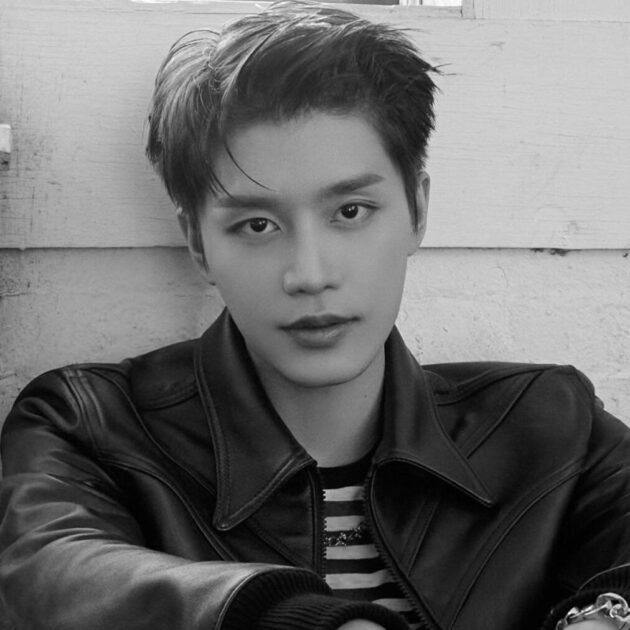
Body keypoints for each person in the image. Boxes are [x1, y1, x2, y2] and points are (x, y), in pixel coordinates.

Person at [1, 2, 629, 629]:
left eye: (350, 212)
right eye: (257, 225)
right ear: (198, 243)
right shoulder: (86, 428)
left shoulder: (552, 429)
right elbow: (49, 576)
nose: (310, 273)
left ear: (416, 211)